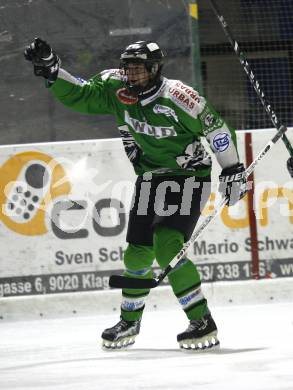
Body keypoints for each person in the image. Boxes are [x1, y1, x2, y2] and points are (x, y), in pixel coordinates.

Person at [24, 38, 247, 351]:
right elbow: (81, 94)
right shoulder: (115, 87)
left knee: (168, 244)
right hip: (150, 177)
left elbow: (217, 130)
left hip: (189, 176)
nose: (132, 75)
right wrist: (51, 67)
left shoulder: (180, 96)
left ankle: (201, 320)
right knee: (137, 253)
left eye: (139, 70)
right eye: (128, 69)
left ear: (155, 70)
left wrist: (233, 168)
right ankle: (129, 322)